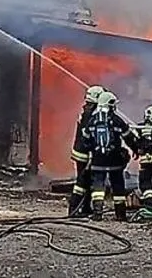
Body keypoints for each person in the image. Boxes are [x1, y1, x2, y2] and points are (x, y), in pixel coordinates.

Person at [83, 90, 137, 221]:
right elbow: (128, 137)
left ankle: (97, 213)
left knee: (98, 188)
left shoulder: (92, 120)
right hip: (115, 161)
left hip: (97, 161)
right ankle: (120, 214)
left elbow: (86, 141)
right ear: (110, 104)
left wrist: (94, 152)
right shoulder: (116, 120)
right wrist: (135, 149)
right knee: (118, 187)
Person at [67, 84, 104, 217]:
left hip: (80, 152)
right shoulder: (91, 114)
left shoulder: (86, 110)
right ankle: (75, 209)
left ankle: (85, 208)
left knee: (85, 182)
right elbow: (90, 135)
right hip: (85, 153)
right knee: (82, 183)